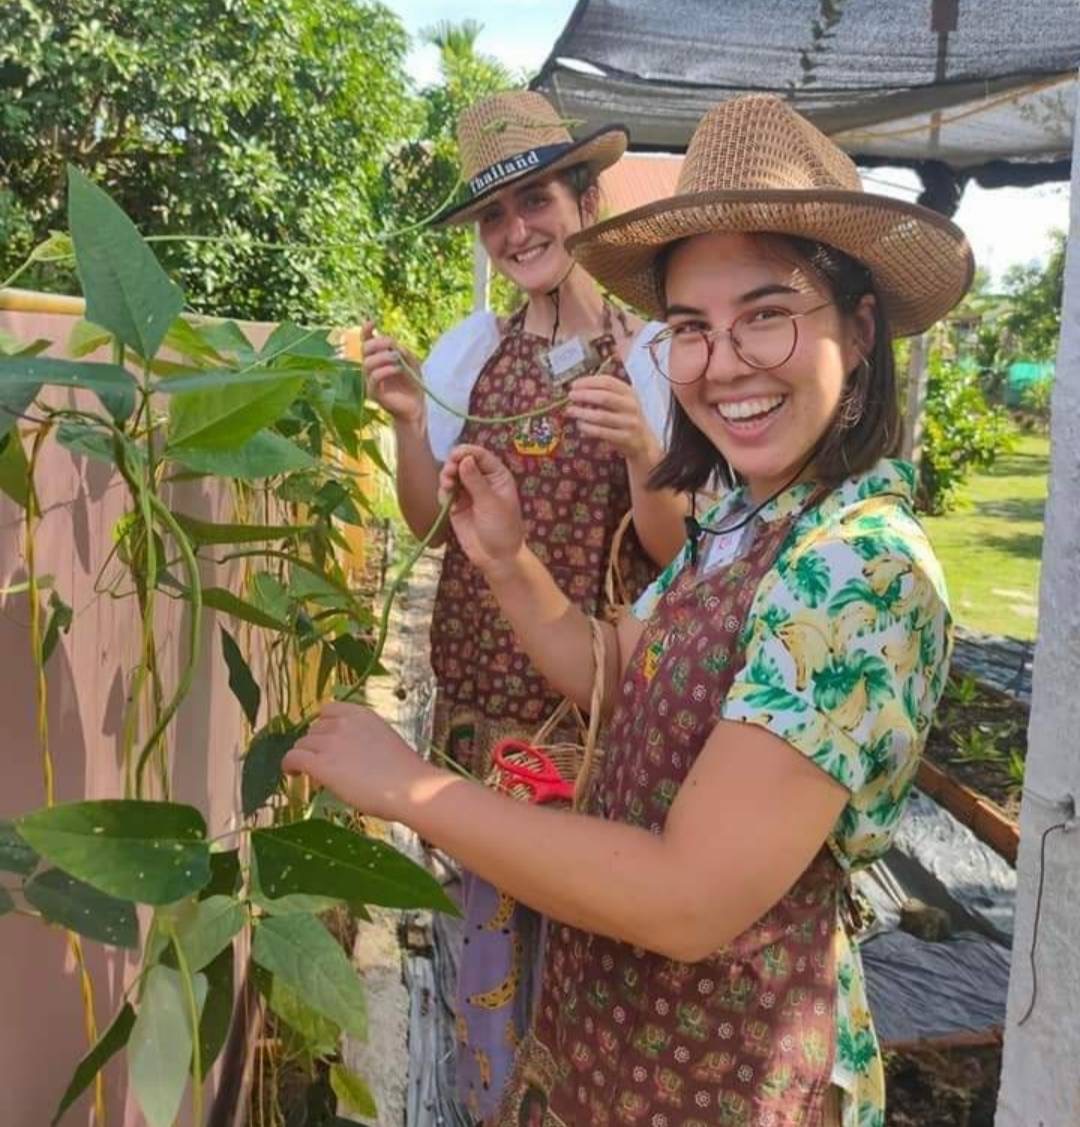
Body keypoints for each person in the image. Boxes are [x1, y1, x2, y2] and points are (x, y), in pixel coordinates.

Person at [295, 95, 973, 1125]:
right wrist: (509, 557)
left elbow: (686, 896)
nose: (724, 361)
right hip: (634, 1043)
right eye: (693, 328)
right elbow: (608, 664)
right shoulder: (751, 520)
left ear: (862, 325)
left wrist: (414, 790)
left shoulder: (860, 570)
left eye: (768, 313)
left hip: (732, 1067)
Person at [360, 90, 687, 1119]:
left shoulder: (655, 359)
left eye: (536, 198)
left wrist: (642, 451)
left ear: (587, 198)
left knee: (594, 991)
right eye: (494, 217)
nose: (516, 232)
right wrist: (413, 423)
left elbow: (675, 552)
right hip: (476, 734)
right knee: (484, 994)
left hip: (592, 732)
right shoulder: (465, 352)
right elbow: (429, 522)